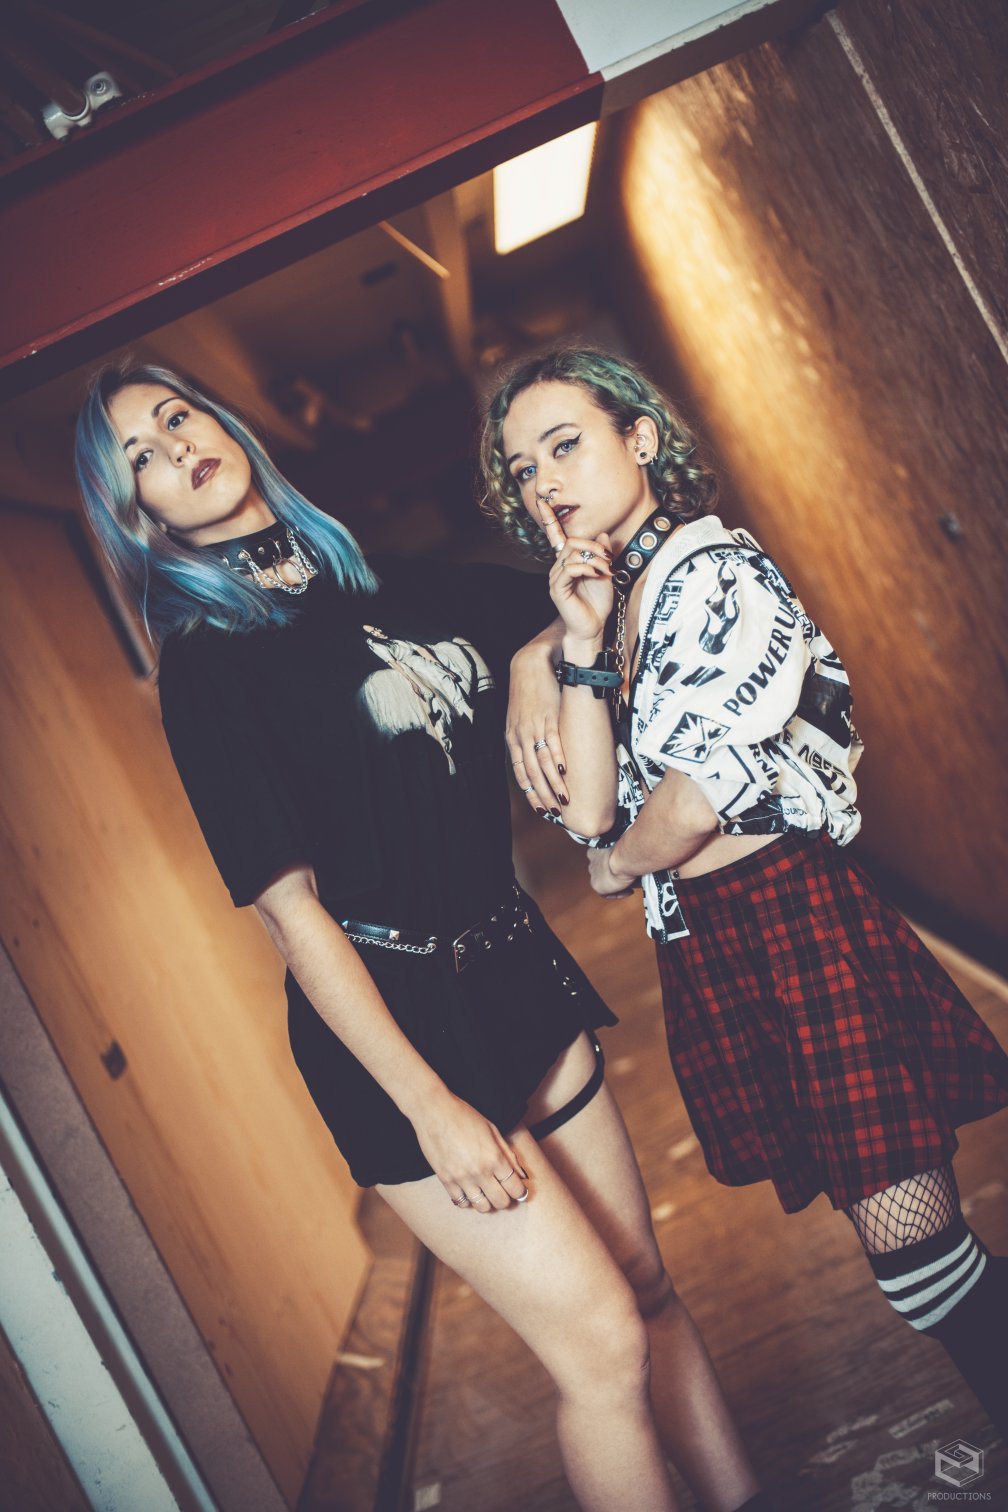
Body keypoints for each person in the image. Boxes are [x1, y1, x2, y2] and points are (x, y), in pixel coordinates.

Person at [74, 360, 773, 1512]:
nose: (174, 447)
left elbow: (568, 609)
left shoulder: (382, 579)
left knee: (647, 1287)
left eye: (176, 416)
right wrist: (428, 1106)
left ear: (221, 419)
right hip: (396, 1035)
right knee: (603, 1346)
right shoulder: (209, 664)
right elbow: (291, 914)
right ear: (134, 509)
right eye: (140, 455)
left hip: (513, 972)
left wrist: (538, 666)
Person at [481, 346, 1008, 1434]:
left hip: (790, 914)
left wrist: (623, 862)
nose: (545, 484)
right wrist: (572, 645)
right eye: (524, 471)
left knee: (915, 1253)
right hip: (713, 942)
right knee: (910, 1254)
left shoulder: (715, 574)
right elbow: (591, 812)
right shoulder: (611, 606)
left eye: (565, 445)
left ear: (641, 437)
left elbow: (685, 806)